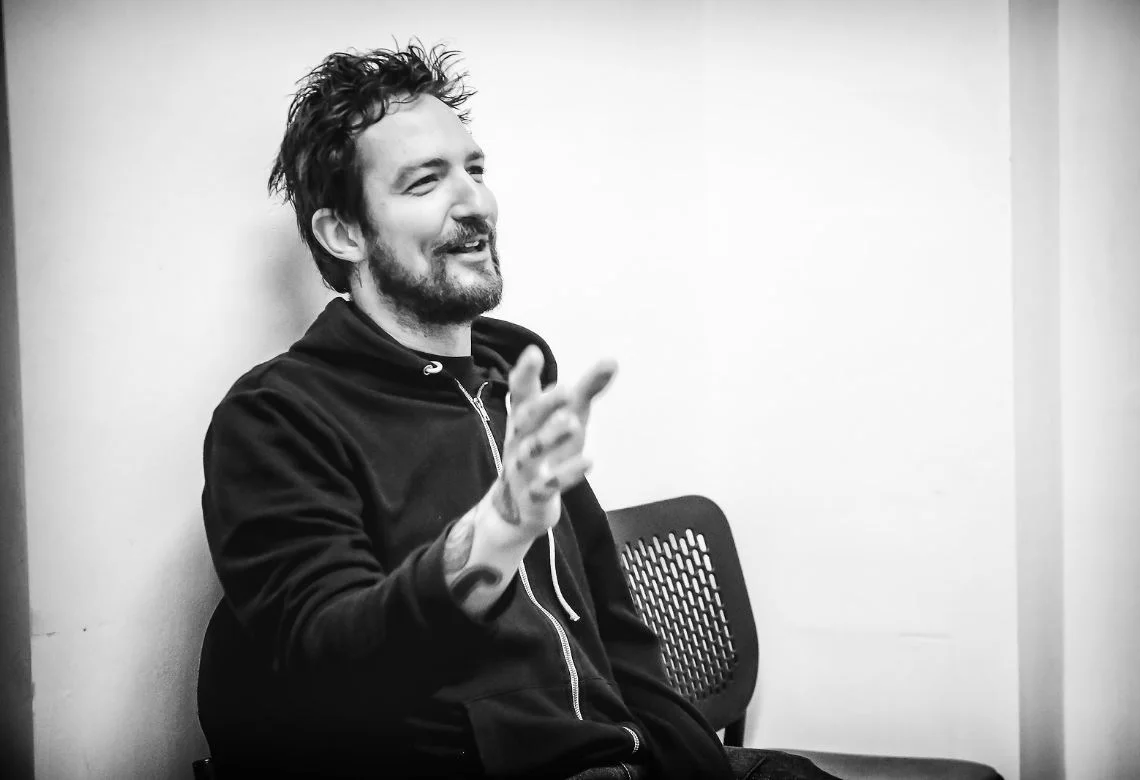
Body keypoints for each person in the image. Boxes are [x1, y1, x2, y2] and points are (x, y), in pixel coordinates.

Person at [197, 42, 843, 780]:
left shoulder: (513, 386)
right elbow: (331, 661)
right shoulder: (278, 417)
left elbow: (622, 641)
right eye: (424, 182)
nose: (475, 202)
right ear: (344, 232)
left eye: (473, 170)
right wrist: (493, 535)